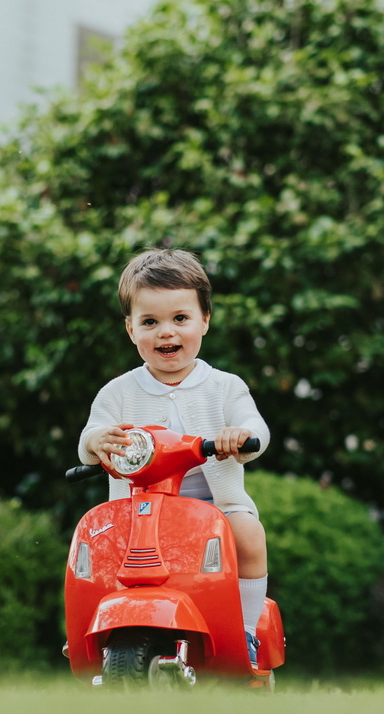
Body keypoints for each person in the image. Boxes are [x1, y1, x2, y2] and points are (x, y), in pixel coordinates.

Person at [78, 247, 271, 665]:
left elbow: (256, 427)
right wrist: (96, 442)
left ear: (205, 320)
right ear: (131, 329)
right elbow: (90, 437)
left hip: (215, 508)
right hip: (136, 513)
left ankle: (245, 631)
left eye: (180, 318)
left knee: (248, 533)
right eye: (150, 322)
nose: (166, 332)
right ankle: (92, 632)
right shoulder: (118, 392)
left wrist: (241, 435)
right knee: (94, 548)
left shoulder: (224, 387)